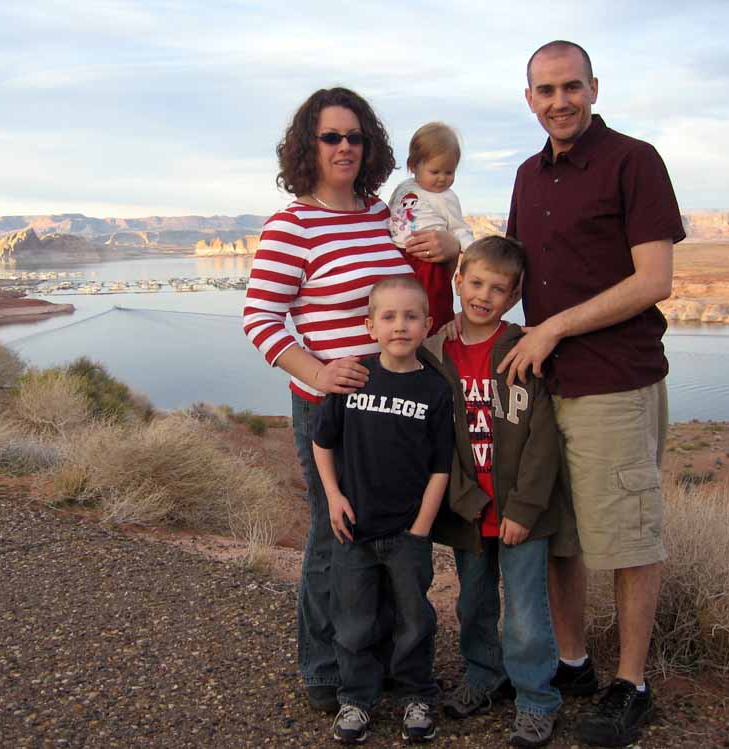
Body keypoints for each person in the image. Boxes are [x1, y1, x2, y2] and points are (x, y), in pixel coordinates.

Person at [242, 87, 461, 714]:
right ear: (307, 146)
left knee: (387, 531)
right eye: (331, 136)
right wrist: (317, 371)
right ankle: (324, 666)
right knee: (333, 532)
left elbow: (422, 278)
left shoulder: (382, 215)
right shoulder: (292, 226)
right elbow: (260, 318)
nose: (345, 147)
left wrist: (452, 248)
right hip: (331, 407)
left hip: (397, 405)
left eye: (355, 137)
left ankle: (379, 662)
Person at [500, 40, 685, 747]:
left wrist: (553, 329)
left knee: (628, 537)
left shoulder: (632, 161)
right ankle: (573, 663)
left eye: (571, 87)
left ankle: (632, 685)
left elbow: (653, 279)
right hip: (546, 385)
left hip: (613, 380)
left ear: (594, 88)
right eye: (545, 91)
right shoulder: (527, 175)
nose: (560, 102)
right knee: (558, 534)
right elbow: (515, 272)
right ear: (529, 99)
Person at [420, 236, 578, 748]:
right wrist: (465, 500)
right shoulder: (435, 353)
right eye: (476, 283)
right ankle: (484, 676)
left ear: (513, 297)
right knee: (474, 604)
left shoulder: (521, 349)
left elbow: (542, 438)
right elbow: (435, 439)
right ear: (458, 279)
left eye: (498, 289)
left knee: (527, 613)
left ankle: (536, 699)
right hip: (468, 511)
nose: (483, 296)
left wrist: (524, 507)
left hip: (520, 513)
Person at [312, 276, 453, 744]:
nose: (400, 326)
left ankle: (417, 695)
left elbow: (441, 467)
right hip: (354, 530)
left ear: (427, 325)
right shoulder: (354, 378)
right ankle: (356, 699)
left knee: (414, 621)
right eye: (388, 317)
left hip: (408, 533)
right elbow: (322, 442)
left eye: (411, 317)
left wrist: (421, 529)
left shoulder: (434, 389)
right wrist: (333, 496)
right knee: (353, 622)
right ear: (370, 325)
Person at [388, 122, 476, 334]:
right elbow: (392, 214)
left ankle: (437, 334)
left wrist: (473, 250)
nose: (442, 178)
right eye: (435, 171)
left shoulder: (446, 197)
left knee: (433, 301)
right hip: (399, 254)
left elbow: (458, 229)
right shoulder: (403, 188)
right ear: (413, 166)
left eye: (449, 172)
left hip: (428, 261)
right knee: (399, 303)